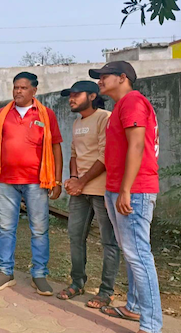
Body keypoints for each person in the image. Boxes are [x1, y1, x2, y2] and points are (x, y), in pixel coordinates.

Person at [89, 61, 161, 333]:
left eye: (103, 76)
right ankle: (135, 307)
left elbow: (138, 145)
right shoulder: (121, 106)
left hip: (134, 189)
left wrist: (126, 189)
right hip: (119, 187)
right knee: (132, 254)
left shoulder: (132, 101)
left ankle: (151, 325)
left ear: (123, 78)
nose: (99, 81)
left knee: (139, 255)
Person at [0, 72, 63, 296]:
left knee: (39, 230)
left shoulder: (46, 115)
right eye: (15, 87)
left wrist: (57, 180)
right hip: (6, 182)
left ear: (34, 91)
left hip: (36, 183)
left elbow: (56, 147)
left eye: (23, 88)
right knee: (6, 228)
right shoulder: (2, 114)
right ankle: (5, 272)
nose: (18, 91)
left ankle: (39, 274)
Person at [55, 81, 121, 309]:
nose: (71, 99)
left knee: (108, 242)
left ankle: (106, 291)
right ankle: (77, 282)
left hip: (102, 191)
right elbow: (74, 153)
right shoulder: (77, 122)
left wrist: (81, 182)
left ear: (92, 96)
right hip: (80, 192)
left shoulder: (105, 117)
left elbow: (106, 155)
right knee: (75, 237)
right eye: (69, 95)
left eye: (76, 94)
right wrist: (74, 179)